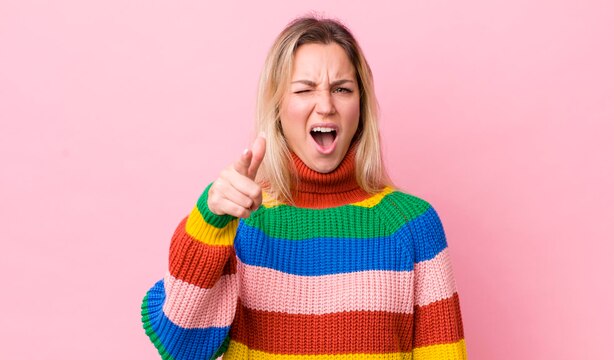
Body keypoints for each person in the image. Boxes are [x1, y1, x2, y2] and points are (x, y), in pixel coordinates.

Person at [141, 16, 467, 360]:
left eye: (342, 89)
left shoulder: (412, 225)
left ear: (362, 106)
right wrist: (210, 218)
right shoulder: (241, 222)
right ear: (278, 106)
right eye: (304, 89)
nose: (325, 106)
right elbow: (179, 346)